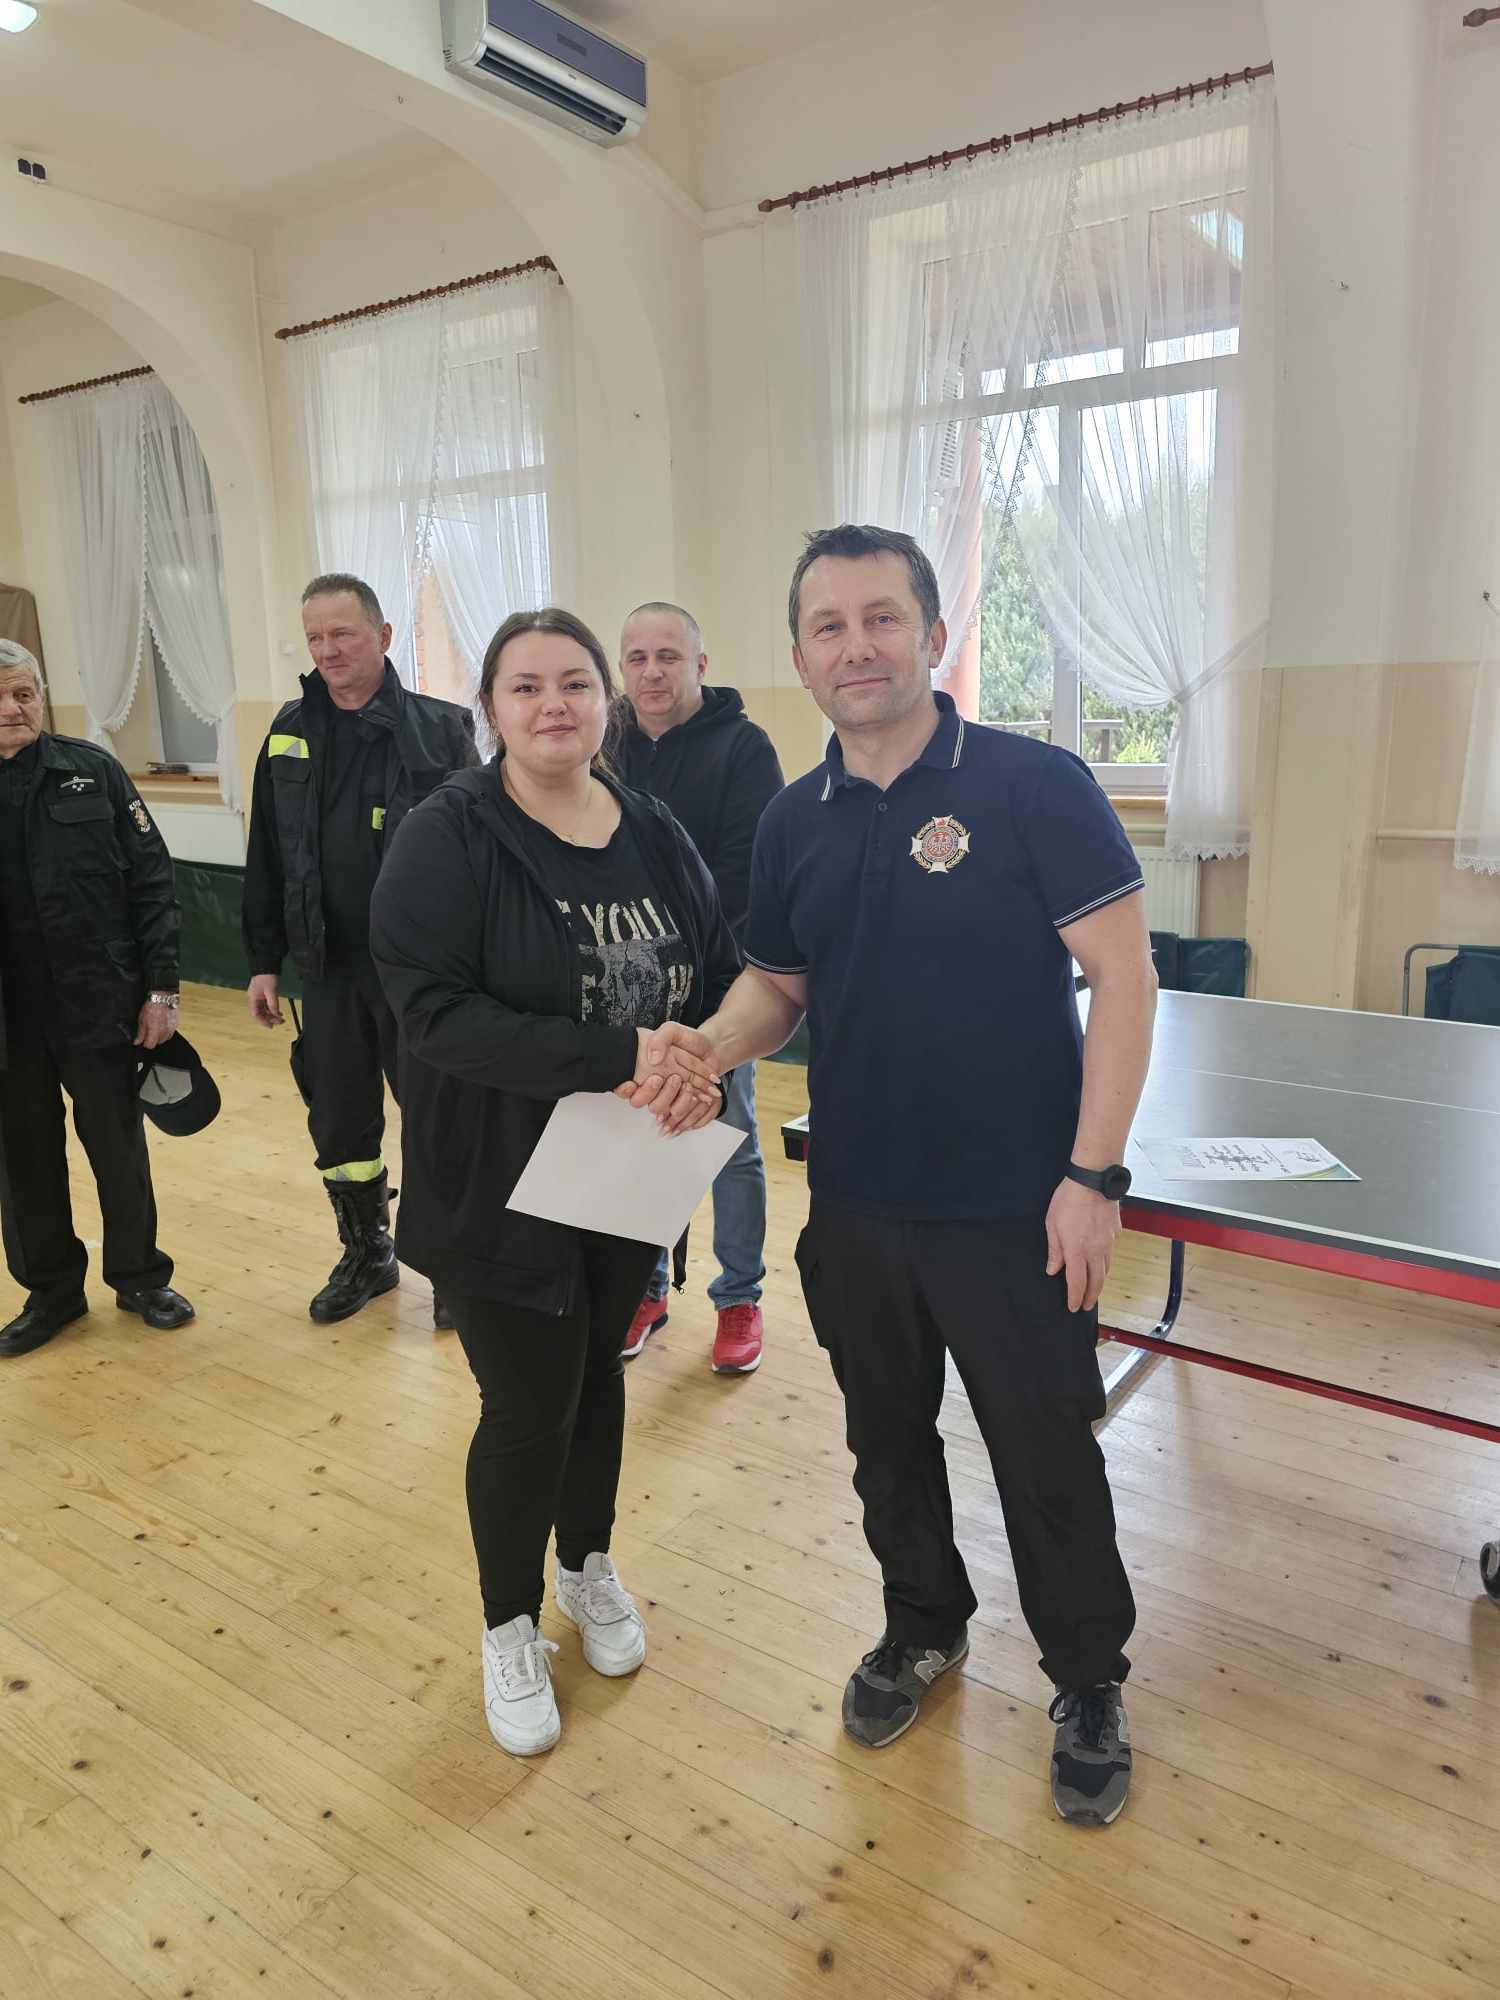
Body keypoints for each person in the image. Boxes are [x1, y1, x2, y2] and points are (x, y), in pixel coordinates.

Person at [629, 525, 1156, 1828]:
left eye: (881, 618)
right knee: (885, 1442)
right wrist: (710, 1045)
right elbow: (781, 983)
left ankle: (1087, 1676)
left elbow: (1125, 978)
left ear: (933, 633)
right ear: (800, 653)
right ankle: (924, 1621)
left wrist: (1093, 1177)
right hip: (858, 1200)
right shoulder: (791, 818)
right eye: (829, 625)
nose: (855, 645)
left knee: (1045, 1454)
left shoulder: (1035, 785)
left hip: (1019, 1208)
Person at [369, 607, 741, 1759]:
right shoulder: (448, 834)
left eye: (574, 682)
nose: (553, 705)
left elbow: (717, 969)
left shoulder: (652, 826)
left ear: (605, 701)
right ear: (490, 706)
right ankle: (508, 1621)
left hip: (626, 1167)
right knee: (527, 1403)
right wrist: (621, 1051)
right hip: (498, 1176)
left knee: (596, 1375)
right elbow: (434, 1015)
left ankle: (585, 1564)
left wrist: (700, 1063)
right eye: (525, 686)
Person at [242, 575, 477, 1328]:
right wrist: (264, 959)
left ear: (383, 635)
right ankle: (367, 1253)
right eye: (314, 637)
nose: (327, 650)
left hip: (422, 974)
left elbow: (481, 856)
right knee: (340, 1123)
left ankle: (454, 1266)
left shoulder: (441, 730)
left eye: (342, 633)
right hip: (327, 966)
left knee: (439, 1117)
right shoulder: (288, 732)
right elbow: (267, 850)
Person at [0, 640, 194, 1357]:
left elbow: (153, 880)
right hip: (8, 1020)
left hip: (98, 1002)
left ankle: (140, 1278)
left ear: (42, 697)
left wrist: (161, 989)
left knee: (118, 1148)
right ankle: (52, 1293)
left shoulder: (93, 772)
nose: (11, 708)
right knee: (22, 1161)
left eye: (23, 693)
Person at [615, 602, 784, 1375]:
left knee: (729, 1145)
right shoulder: (603, 744)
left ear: (700, 666)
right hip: (623, 982)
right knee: (643, 1138)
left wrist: (699, 975)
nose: (652, 672)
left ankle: (738, 1298)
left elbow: (746, 874)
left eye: (669, 657)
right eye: (637, 658)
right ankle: (647, 1288)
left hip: (719, 984)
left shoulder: (744, 748)